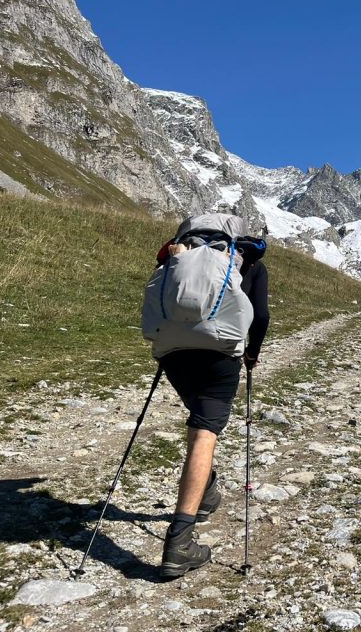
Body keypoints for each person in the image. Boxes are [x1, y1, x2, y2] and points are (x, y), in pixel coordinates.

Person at [157, 235, 269, 580]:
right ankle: (180, 541)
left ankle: (206, 489)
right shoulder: (249, 262)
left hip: (174, 352)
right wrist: (251, 354)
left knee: (199, 424)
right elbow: (260, 315)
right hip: (220, 353)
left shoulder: (181, 255)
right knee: (205, 432)